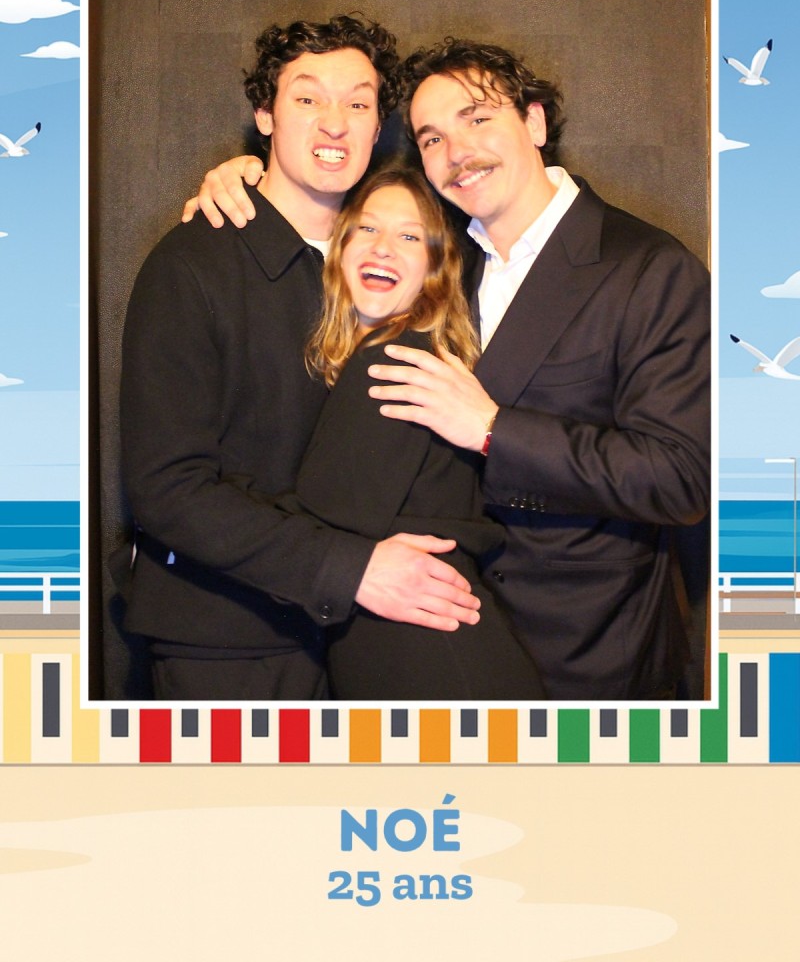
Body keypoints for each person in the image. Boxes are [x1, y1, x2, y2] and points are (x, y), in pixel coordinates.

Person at [188, 37, 710, 701]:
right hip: (443, 636)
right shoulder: (445, 262)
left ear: (535, 122)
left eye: (478, 118)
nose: (457, 151)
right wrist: (248, 180)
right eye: (432, 138)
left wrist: (493, 429)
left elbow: (681, 477)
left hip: (590, 652)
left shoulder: (647, 267)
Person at [118, 16, 481, 701]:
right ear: (266, 115)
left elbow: (514, 211)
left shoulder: (393, 259)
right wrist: (351, 569)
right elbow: (168, 488)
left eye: (358, 104)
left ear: (378, 129)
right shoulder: (193, 264)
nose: (334, 123)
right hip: (230, 644)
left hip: (366, 644)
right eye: (307, 98)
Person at [280, 162, 544, 699]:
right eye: (368, 228)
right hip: (429, 652)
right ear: (338, 247)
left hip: (433, 663)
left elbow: (314, 524)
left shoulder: (393, 364)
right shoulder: (411, 358)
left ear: (433, 269)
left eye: (408, 237)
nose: (383, 248)